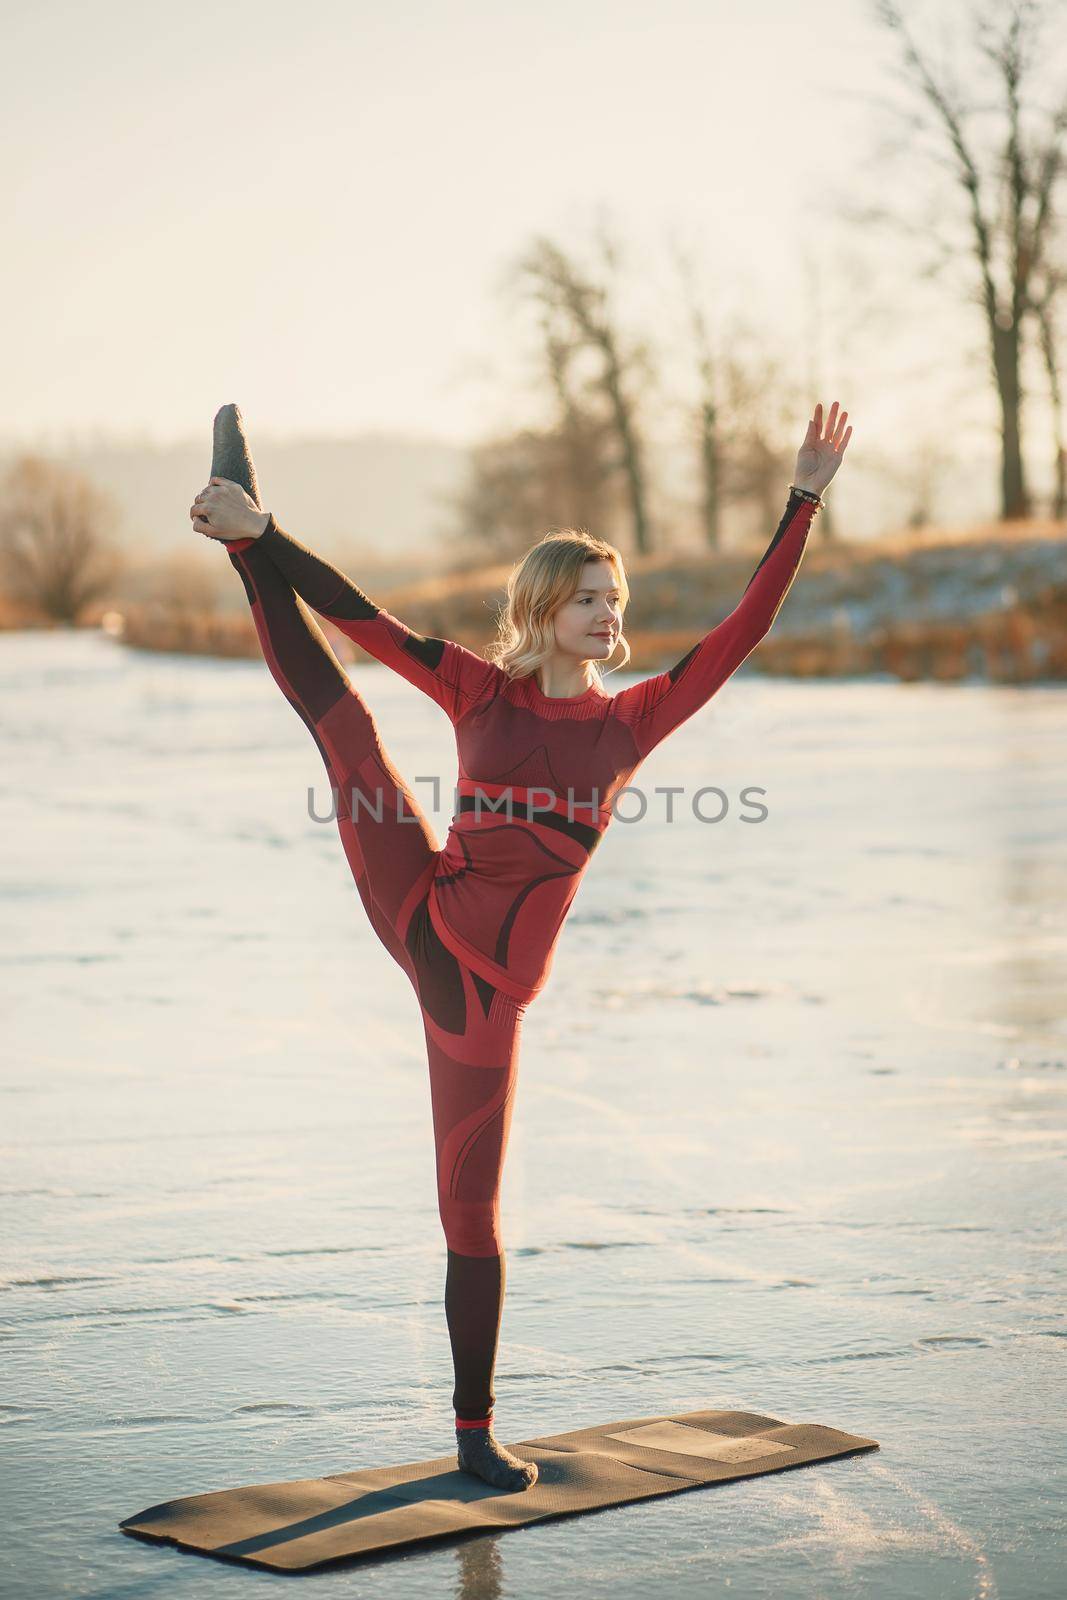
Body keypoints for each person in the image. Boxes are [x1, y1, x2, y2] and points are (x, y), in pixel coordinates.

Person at [189, 399, 852, 1492]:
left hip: (479, 998)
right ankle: (241, 526)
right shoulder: (477, 691)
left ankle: (470, 1431)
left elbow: (742, 629)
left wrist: (803, 498)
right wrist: (267, 538)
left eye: (614, 598)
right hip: (422, 903)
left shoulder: (627, 724)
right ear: (544, 608)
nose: (606, 613)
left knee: (471, 1210)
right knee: (345, 726)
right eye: (587, 597)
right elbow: (359, 619)